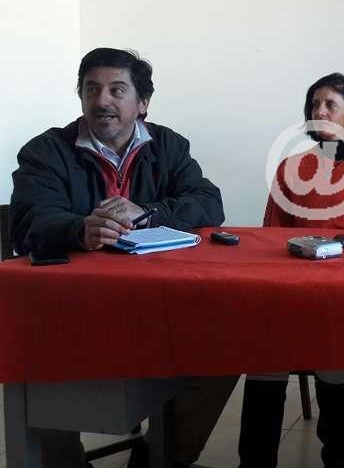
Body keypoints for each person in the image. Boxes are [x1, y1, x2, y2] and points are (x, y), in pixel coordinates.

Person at [9, 47, 237, 468]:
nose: (102, 101)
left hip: (160, 302)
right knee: (33, 360)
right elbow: (27, 222)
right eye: (91, 89)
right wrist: (80, 229)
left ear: (142, 102)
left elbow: (208, 201)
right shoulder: (45, 151)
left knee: (226, 351)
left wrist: (147, 212)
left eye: (117, 89)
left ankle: (157, 459)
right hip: (74, 308)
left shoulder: (168, 145)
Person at [238, 73, 344, 468]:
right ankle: (255, 460)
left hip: (342, 298)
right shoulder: (291, 167)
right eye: (314, 105)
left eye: (330, 105)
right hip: (287, 293)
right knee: (262, 360)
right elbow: (271, 238)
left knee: (335, 355)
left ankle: (337, 453)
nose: (319, 112)